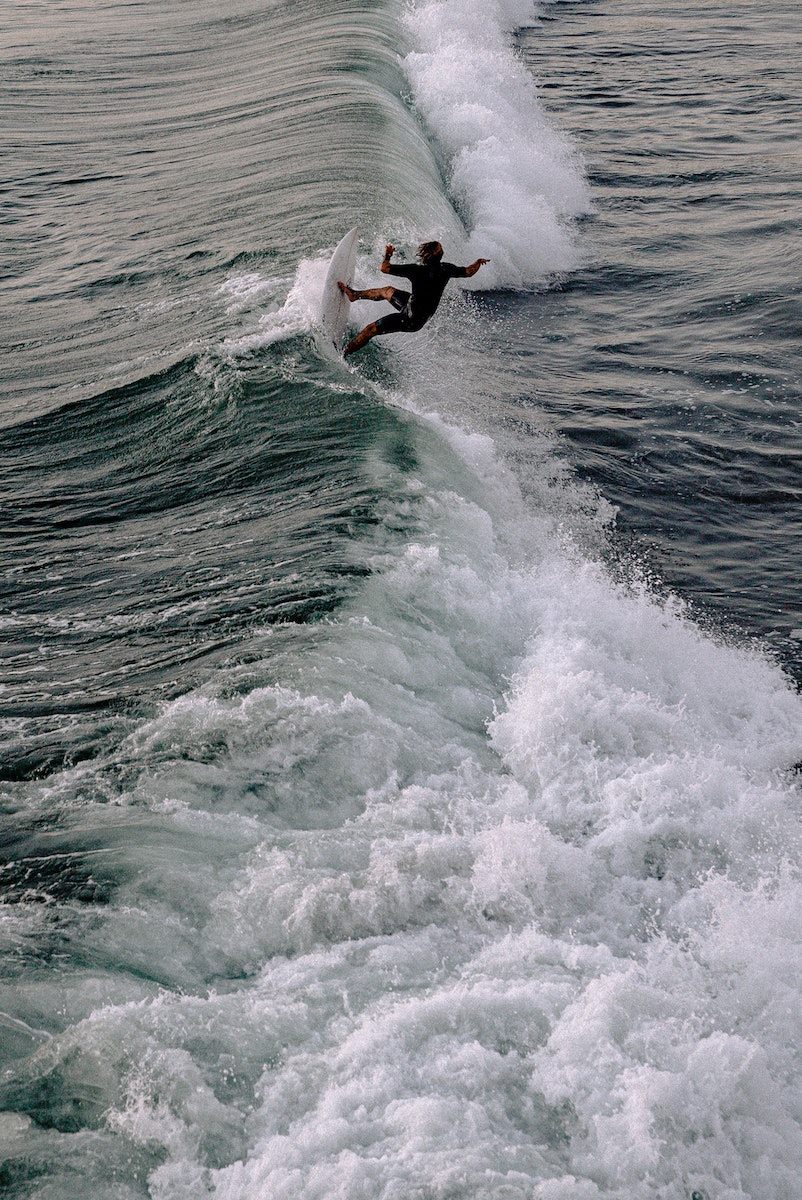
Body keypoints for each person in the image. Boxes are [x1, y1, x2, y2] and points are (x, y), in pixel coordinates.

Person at [338, 240, 489, 357]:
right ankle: (354, 295)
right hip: (416, 310)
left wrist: (388, 254)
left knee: (370, 330)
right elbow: (469, 272)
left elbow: (384, 268)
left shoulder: (416, 270)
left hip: (409, 319)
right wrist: (478, 262)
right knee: (387, 291)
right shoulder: (446, 269)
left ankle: (342, 354)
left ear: (425, 255)